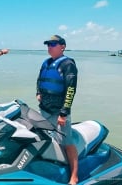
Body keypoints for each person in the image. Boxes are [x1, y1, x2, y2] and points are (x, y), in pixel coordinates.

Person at [36, 35, 78, 185]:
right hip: (44, 109)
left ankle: (74, 176)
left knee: (67, 142)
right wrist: (38, 93)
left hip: (59, 112)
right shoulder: (46, 62)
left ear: (62, 46)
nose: (49, 47)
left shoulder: (68, 64)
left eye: (53, 44)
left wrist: (64, 113)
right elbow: (39, 80)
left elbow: (70, 90)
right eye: (48, 44)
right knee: (44, 138)